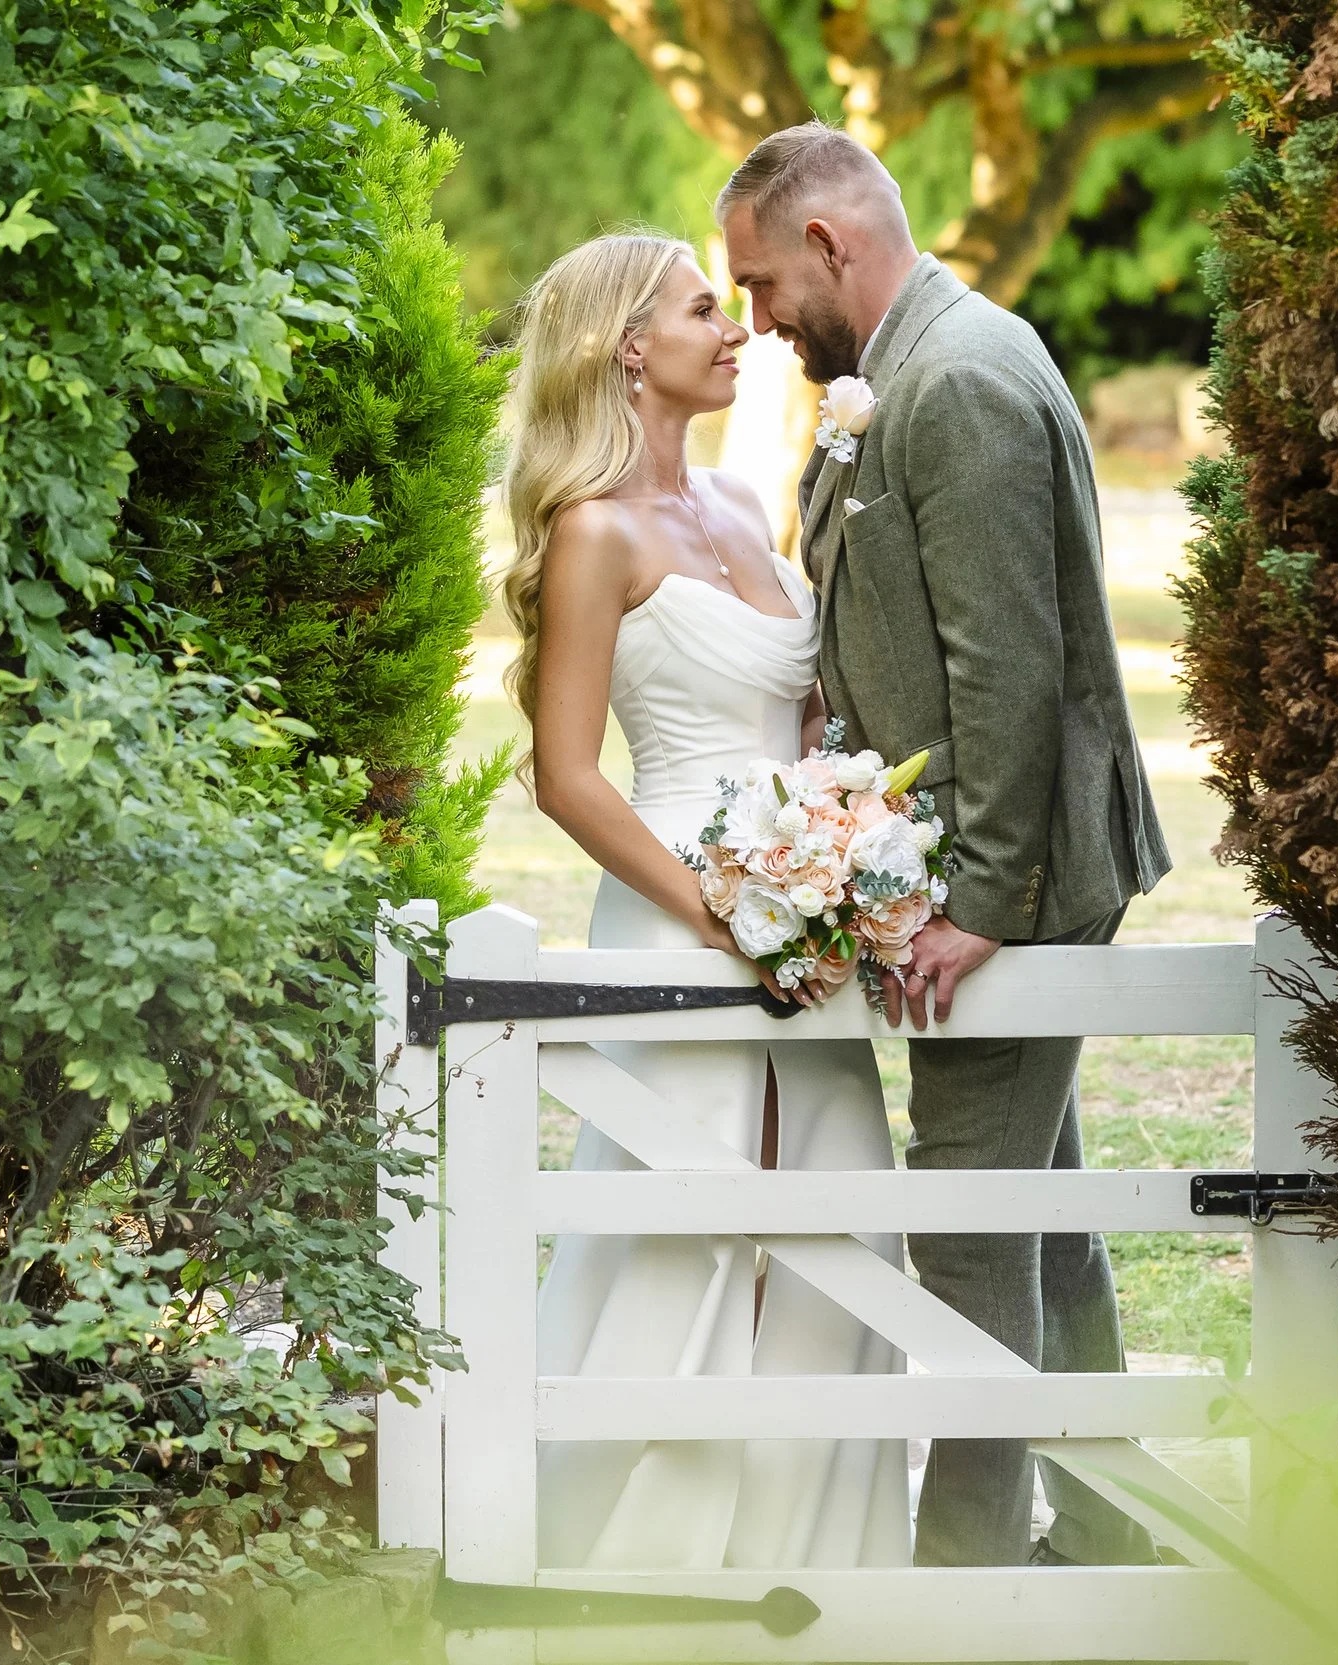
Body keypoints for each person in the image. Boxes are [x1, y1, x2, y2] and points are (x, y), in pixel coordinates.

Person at [718, 124, 1171, 1568]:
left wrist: (980, 896)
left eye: (762, 283)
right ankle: (1110, 1537)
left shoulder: (960, 380)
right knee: (1039, 1219)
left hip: (1014, 884)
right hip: (986, 867)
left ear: (830, 246)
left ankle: (962, 1577)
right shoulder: (901, 372)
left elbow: (1009, 671)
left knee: (971, 1226)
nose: (756, 318)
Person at [502, 233, 912, 1569]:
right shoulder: (593, 532)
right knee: (675, 1235)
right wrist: (719, 909)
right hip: (687, 906)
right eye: (700, 310)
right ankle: (611, 1570)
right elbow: (565, 777)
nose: (734, 327)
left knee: (841, 1215)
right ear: (630, 347)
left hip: (804, 911)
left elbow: (801, 712)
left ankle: (808, 1569)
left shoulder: (745, 508)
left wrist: (845, 838)